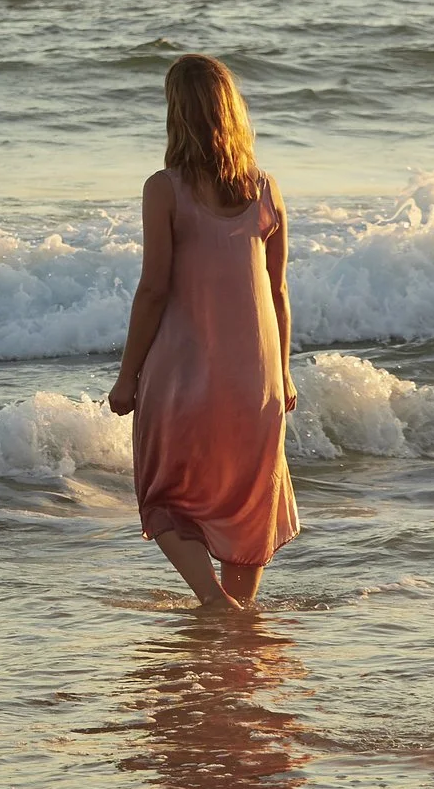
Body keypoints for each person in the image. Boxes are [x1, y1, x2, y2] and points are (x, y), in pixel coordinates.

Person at [109, 55, 299, 611]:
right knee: (248, 501)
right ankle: (233, 622)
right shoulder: (266, 189)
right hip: (257, 376)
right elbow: (279, 291)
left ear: (177, 116)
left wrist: (127, 377)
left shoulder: (164, 189)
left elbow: (153, 289)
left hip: (186, 372)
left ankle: (214, 606)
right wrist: (283, 372)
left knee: (164, 495)